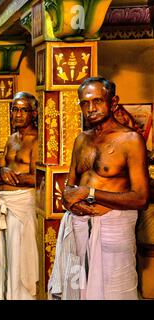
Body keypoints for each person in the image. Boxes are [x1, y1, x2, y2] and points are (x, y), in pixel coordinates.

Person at [50, 77, 149, 300]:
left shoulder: (130, 140)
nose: (91, 109)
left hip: (113, 230)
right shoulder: (81, 140)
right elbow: (69, 187)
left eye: (97, 101)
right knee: (79, 291)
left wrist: (89, 194)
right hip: (79, 228)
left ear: (113, 103)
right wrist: (72, 200)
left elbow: (141, 198)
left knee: (115, 292)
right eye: (85, 103)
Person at [0, 92, 39, 300]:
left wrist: (8, 177)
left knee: (21, 257)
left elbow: (38, 178)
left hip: (22, 204)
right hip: (6, 204)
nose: (17, 114)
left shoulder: (36, 141)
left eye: (23, 109)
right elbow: (1, 169)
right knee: (8, 257)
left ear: (33, 113)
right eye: (14, 109)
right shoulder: (11, 139)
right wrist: (1, 174)